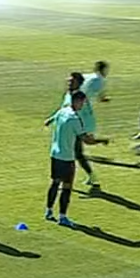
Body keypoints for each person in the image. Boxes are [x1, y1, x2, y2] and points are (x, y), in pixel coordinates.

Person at [44, 91, 109, 227]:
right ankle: (63, 217)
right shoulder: (74, 119)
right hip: (67, 157)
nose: (83, 105)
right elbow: (86, 140)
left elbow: (51, 119)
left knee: (55, 183)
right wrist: (101, 140)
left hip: (55, 154)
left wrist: (48, 122)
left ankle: (49, 211)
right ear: (77, 101)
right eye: (82, 102)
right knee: (67, 186)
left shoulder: (62, 111)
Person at [48, 72, 100, 188]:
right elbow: (63, 109)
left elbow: (87, 115)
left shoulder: (81, 97)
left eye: (72, 81)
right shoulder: (68, 94)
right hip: (69, 128)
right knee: (76, 154)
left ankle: (69, 180)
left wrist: (87, 132)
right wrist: (52, 119)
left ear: (79, 83)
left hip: (77, 129)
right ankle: (91, 177)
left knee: (76, 154)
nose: (69, 82)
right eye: (69, 80)